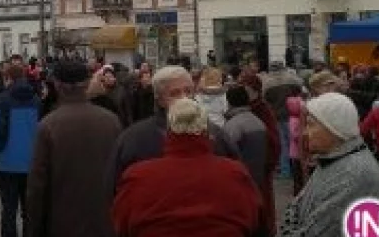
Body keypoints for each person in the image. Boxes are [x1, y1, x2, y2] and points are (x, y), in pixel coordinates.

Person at [112, 98, 263, 237]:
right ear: (207, 131)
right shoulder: (235, 174)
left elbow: (121, 225)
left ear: (168, 131)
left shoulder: (137, 178)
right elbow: (257, 221)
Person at [107, 65, 239, 200]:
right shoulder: (133, 139)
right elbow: (116, 190)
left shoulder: (216, 134)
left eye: (188, 91)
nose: (184, 99)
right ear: (159, 99)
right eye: (175, 93)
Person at [27, 60, 122, 237]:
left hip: (62, 222)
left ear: (57, 84)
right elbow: (120, 175)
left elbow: (37, 186)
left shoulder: (48, 126)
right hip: (104, 221)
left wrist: (34, 228)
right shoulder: (111, 121)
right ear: (87, 83)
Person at [278, 93, 379, 237]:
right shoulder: (333, 158)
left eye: (311, 125)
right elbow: (296, 206)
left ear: (333, 128)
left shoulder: (354, 174)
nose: (304, 133)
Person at [0, 64, 41, 237]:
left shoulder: (1, 100)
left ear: (8, 78)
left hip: (7, 163)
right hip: (31, 162)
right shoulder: (36, 100)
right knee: (29, 210)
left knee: (9, 210)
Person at [239, 72, 280, 236]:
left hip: (261, 165)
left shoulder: (262, 109)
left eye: (246, 88)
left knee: (263, 201)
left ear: (255, 90)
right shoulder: (245, 109)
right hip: (247, 164)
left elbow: (273, 140)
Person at [223, 84, 268, 189]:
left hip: (240, 181)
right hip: (257, 179)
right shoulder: (259, 122)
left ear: (229, 102)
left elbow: (228, 155)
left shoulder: (233, 125)